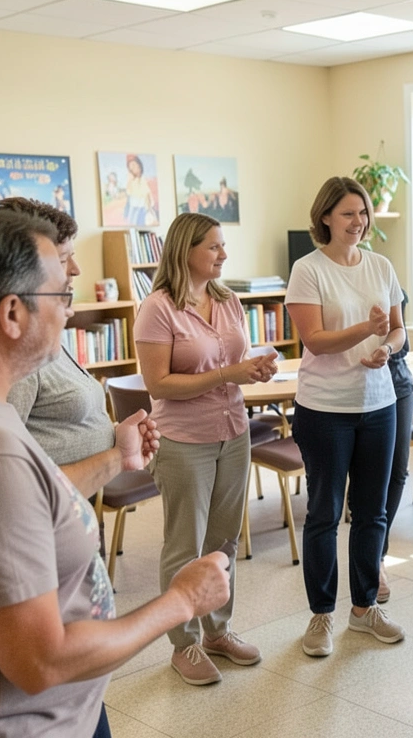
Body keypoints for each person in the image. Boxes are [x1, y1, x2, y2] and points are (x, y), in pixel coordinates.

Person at [0, 208, 229, 736]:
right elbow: (41, 662)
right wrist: (181, 601)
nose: (71, 313)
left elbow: (27, 504)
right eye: (61, 296)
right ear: (11, 313)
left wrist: (114, 459)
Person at [135, 212, 278, 686]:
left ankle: (219, 631)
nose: (223, 254)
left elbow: (235, 361)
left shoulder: (228, 298)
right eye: (214, 247)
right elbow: (158, 384)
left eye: (222, 245)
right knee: (185, 547)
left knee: (222, 543)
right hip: (182, 440)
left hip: (232, 432)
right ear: (186, 250)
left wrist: (253, 369)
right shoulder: (158, 307)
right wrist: (227, 375)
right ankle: (185, 644)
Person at [286, 176, 406, 657]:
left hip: (378, 405)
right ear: (325, 219)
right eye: (347, 214)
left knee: (373, 513)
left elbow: (396, 333)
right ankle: (320, 616)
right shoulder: (307, 269)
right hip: (325, 409)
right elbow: (314, 340)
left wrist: (386, 350)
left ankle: (363, 609)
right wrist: (364, 330)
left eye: (362, 213)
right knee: (324, 514)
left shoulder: (381, 266)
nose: (358, 222)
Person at [0, 198, 145, 559]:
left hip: (78, 500)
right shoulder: (20, 352)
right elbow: (11, 479)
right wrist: (118, 456)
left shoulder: (49, 334)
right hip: (49, 521)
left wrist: (115, 438)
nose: (76, 269)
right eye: (64, 259)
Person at [380, 290, 413, 604]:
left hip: (398, 381)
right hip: (355, 385)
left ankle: (378, 553)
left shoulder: (387, 278)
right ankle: (371, 557)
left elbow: (401, 338)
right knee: (370, 477)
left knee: (397, 472)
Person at [124, 154, 154, 226]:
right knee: (132, 222)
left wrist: (150, 208)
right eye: (130, 168)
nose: (133, 169)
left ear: (139, 165)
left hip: (142, 207)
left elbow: (148, 194)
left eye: (134, 165)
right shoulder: (132, 181)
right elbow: (128, 191)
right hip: (134, 206)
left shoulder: (144, 180)